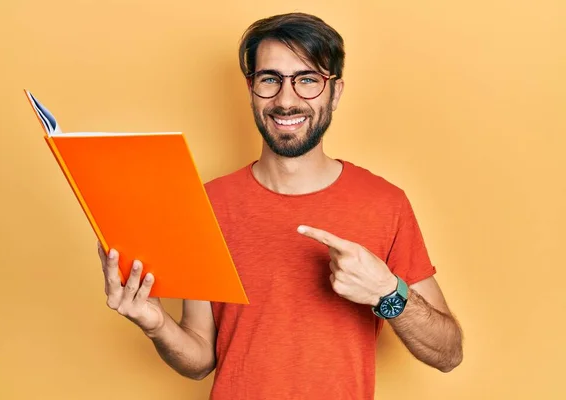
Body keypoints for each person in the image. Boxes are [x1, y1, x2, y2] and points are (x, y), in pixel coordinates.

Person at [97, 12, 463, 399]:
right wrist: (155, 324)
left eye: (307, 80)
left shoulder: (385, 203)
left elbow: (448, 353)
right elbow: (200, 358)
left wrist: (387, 291)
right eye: (270, 80)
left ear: (335, 92)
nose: (286, 101)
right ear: (251, 89)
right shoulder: (207, 204)